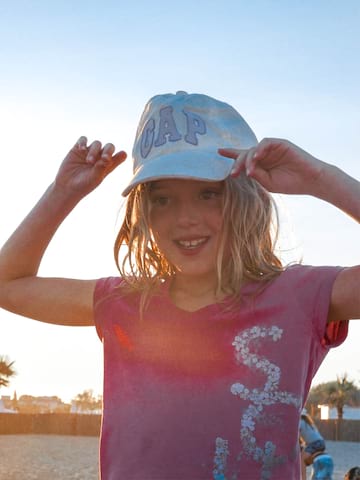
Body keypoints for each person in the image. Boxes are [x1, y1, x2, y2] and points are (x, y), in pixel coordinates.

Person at [0, 91, 359, 480]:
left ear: (245, 197)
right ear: (144, 212)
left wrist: (321, 178)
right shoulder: (123, 302)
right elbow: (9, 284)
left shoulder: (299, 296)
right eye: (163, 199)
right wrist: (63, 192)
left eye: (208, 194)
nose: (185, 218)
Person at [299, 411, 334, 479]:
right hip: (321, 443)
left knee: (302, 460)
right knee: (306, 455)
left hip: (314, 444)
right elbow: (309, 437)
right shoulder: (308, 423)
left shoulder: (299, 422)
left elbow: (296, 437)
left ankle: (303, 478)